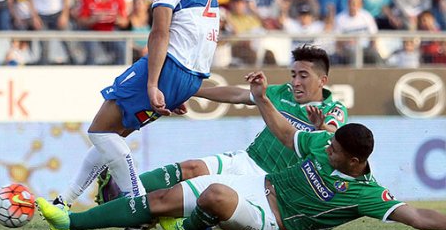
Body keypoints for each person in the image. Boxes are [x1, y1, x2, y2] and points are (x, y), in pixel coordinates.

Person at [37, 70, 446, 230]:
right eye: (295, 73)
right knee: (178, 184)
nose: (327, 148)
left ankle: (190, 226)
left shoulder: (362, 184)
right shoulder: (322, 141)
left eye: (305, 74)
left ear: (355, 161)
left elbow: (417, 215)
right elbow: (286, 133)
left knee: (212, 196)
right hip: (254, 178)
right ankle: (71, 222)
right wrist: (204, 90)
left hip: (272, 217)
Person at [48, 0, 219, 230]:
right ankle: (65, 201)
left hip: (171, 66)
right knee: (110, 136)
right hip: (189, 72)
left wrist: (154, 83)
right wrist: (178, 88)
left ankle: (141, 209)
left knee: (100, 132)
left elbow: (159, 32)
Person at [95, 44, 345, 203]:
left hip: (274, 182)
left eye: (304, 76)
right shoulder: (283, 92)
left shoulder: (333, 109)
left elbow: (332, 140)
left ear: (322, 80)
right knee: (191, 168)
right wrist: (189, 90)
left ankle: (156, 214)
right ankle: (122, 191)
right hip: (247, 159)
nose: (297, 82)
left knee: (202, 198)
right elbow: (236, 95)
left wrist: (320, 128)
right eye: (294, 75)